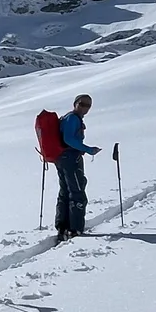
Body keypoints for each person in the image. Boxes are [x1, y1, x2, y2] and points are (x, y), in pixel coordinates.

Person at [54, 93, 100, 241]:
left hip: (62, 158)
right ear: (75, 104)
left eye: (88, 105)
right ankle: (75, 229)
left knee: (66, 191)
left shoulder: (69, 118)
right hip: (70, 159)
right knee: (77, 191)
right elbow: (68, 139)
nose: (85, 108)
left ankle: (63, 226)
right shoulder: (72, 118)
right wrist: (88, 149)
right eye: (82, 104)